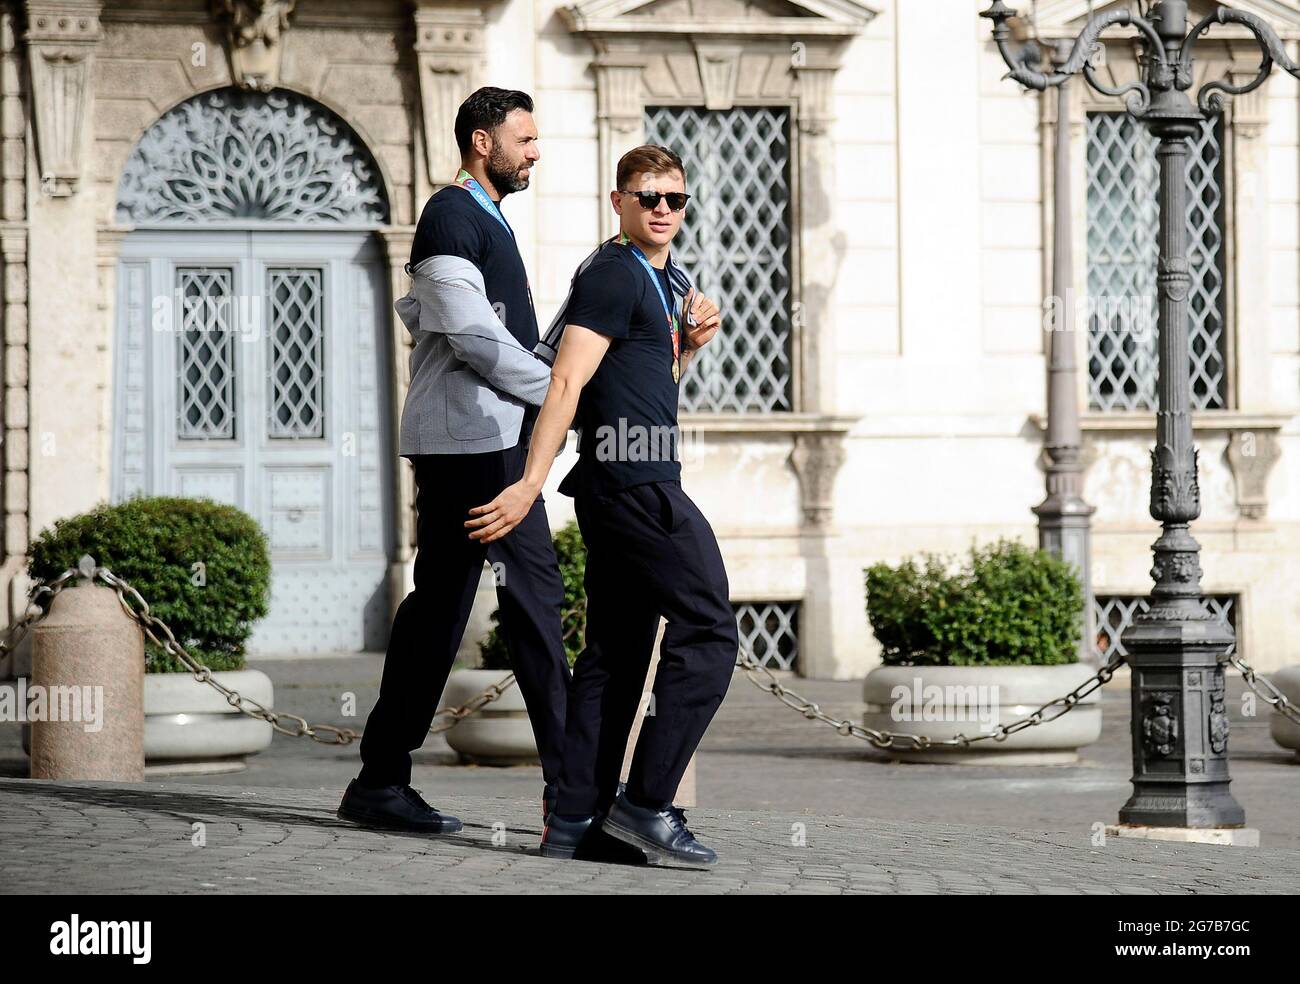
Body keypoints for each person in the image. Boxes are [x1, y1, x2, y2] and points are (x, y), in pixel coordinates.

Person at [466, 144, 736, 869]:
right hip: (637, 486)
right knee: (710, 628)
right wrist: (528, 484)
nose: (661, 209)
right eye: (647, 196)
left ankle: (576, 820)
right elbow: (566, 385)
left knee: (615, 656)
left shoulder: (663, 278)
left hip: (627, 480)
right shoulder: (614, 274)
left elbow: (645, 389)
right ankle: (647, 805)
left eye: (674, 199)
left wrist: (691, 348)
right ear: (618, 200)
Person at [337, 87, 569, 834]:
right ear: (481, 142)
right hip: (475, 447)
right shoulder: (451, 214)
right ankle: (574, 794)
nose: (536, 152)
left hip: (475, 441)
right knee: (533, 602)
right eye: (525, 139)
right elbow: (472, 337)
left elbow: (509, 337)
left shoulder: (488, 220)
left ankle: (380, 780)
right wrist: (564, 393)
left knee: (438, 613)